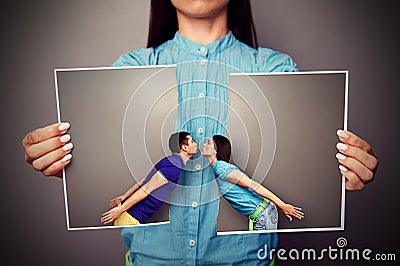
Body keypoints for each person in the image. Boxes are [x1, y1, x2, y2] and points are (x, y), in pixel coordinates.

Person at [21, 0, 380, 265]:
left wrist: (339, 170)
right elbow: (127, 181)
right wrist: (65, 157)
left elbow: (291, 179)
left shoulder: (276, 70)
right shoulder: (131, 69)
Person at [201, 135, 304, 231]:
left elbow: (254, 185)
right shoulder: (217, 168)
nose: (204, 144)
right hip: (261, 214)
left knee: (261, 250)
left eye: (208, 143)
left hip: (263, 215)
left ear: (216, 151)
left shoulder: (221, 168)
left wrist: (282, 205)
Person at [101, 131, 197, 226]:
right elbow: (146, 188)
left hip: (128, 215)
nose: (196, 144)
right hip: (130, 218)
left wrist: (124, 197)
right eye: (192, 141)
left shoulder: (169, 160)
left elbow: (144, 180)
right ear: (184, 147)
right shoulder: (174, 167)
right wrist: (120, 209)